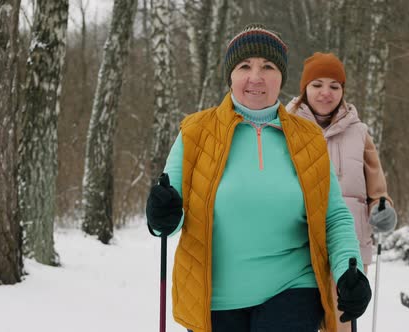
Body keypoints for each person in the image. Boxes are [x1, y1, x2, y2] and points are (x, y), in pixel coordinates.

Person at [146, 24, 371, 332]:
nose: (256, 77)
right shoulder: (196, 132)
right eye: (244, 66)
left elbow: (334, 217)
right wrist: (161, 215)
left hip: (293, 287)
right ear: (231, 76)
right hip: (214, 299)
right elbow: (168, 218)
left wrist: (348, 270)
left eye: (267, 66)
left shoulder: (308, 138)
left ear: (282, 77)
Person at [286, 52, 397, 332]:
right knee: (297, 319)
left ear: (343, 91)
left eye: (335, 86)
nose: (326, 93)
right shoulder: (285, 129)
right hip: (298, 243)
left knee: (342, 323)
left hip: (350, 246)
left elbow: (376, 189)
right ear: (304, 89)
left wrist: (381, 207)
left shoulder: (359, 133)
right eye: (317, 85)